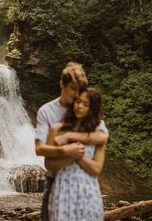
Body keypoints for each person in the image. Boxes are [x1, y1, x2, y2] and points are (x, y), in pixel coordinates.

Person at [35, 62, 108, 221]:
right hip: (58, 181)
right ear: (62, 84)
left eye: (84, 101)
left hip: (87, 187)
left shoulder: (95, 123)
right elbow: (40, 149)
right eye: (74, 90)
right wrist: (67, 152)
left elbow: (102, 138)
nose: (78, 99)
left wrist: (69, 138)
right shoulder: (48, 114)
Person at [45, 87, 106, 221]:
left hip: (88, 190)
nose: (79, 106)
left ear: (92, 109)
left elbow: (96, 169)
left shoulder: (98, 131)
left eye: (86, 104)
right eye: (78, 101)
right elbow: (48, 164)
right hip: (63, 189)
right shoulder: (57, 129)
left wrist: (79, 156)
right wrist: (69, 155)